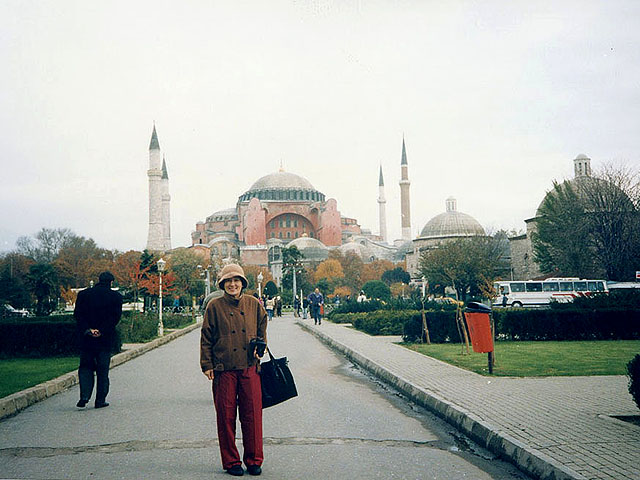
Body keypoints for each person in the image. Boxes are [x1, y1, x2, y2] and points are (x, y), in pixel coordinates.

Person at [201, 264, 268, 477]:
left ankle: (254, 460)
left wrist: (260, 346)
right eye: (228, 281)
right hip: (224, 369)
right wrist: (207, 365)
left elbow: (262, 326)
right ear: (222, 284)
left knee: (253, 416)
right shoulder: (214, 306)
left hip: (249, 367)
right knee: (226, 417)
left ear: (242, 283)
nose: (232, 284)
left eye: (236, 280)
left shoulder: (253, 304)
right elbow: (206, 338)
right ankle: (231, 461)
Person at [74, 271, 123, 409]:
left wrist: (89, 329)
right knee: (102, 370)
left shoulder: (83, 295)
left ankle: (84, 395)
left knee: (85, 367)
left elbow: (78, 315)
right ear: (111, 282)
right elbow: (115, 318)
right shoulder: (116, 297)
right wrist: (101, 330)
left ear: (98, 280)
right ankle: (100, 400)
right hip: (104, 339)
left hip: (87, 339)